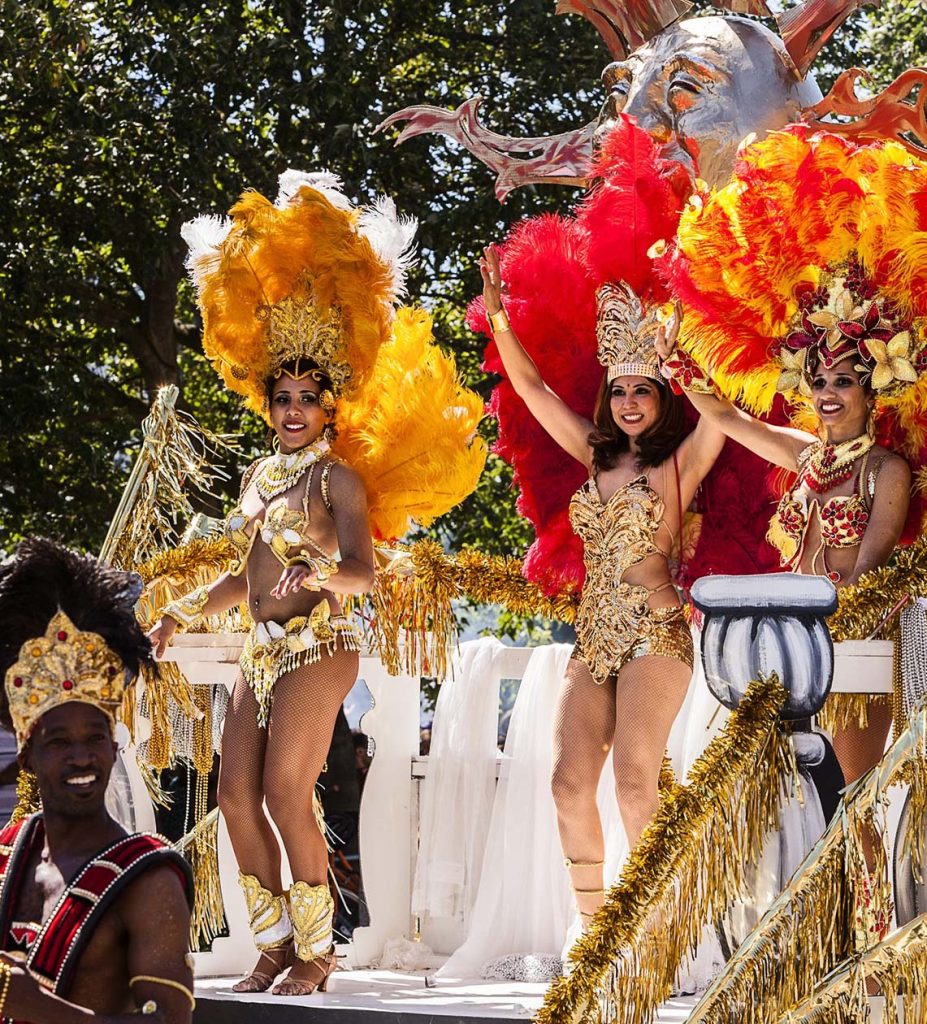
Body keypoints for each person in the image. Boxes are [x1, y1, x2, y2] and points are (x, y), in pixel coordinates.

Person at [148, 172, 486, 996]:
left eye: (307, 398)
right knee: (232, 797)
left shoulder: (337, 480)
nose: (294, 409)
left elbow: (363, 574)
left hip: (321, 646)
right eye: (283, 397)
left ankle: (317, 950)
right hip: (260, 651)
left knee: (284, 792)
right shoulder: (259, 477)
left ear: (330, 406)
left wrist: (321, 572)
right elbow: (245, 576)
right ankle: (270, 944)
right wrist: (180, 612)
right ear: (266, 404)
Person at [659, 127, 927, 811]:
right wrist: (680, 370)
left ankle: (867, 917)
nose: (828, 392)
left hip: (857, 639)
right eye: (818, 380)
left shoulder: (884, 470)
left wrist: (823, 619)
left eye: (843, 378)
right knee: (788, 804)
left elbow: (868, 567)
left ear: (872, 388)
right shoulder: (806, 454)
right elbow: (730, 420)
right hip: (790, 638)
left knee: (856, 797)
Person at [479, 246, 725, 926]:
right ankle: (596, 935)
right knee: (565, 785)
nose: (627, 402)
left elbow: (722, 417)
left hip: (656, 631)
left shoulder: (682, 465)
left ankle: (654, 933)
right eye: (618, 390)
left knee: (633, 780)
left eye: (642, 389)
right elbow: (531, 391)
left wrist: (687, 353)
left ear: (662, 396)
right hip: (593, 636)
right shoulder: (592, 453)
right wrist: (500, 318)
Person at [0, 537, 194, 1024]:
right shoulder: (8, 852)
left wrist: (39, 1007)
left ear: (114, 746)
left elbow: (167, 1020)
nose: (82, 756)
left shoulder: (148, 879)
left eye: (95, 737)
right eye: (59, 742)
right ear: (27, 757)